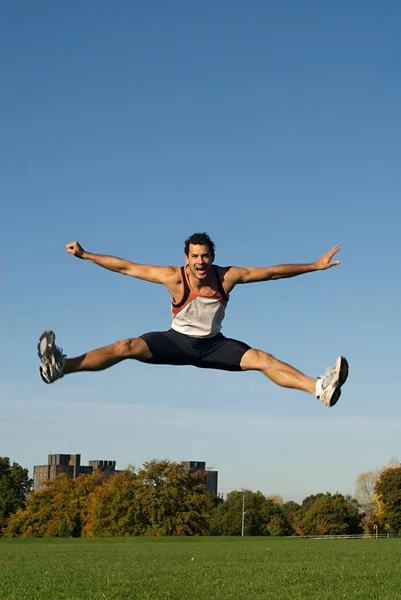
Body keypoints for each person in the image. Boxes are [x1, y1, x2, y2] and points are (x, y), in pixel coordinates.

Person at [37, 232, 348, 407]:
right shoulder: (174, 277)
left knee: (262, 359)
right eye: (194, 256)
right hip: (175, 342)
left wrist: (314, 266)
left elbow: (272, 273)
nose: (200, 262)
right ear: (186, 258)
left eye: (205, 256)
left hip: (213, 345)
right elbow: (126, 268)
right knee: (126, 346)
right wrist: (87, 255)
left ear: (211, 257)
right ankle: (61, 366)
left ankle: (319, 388)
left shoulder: (227, 277)